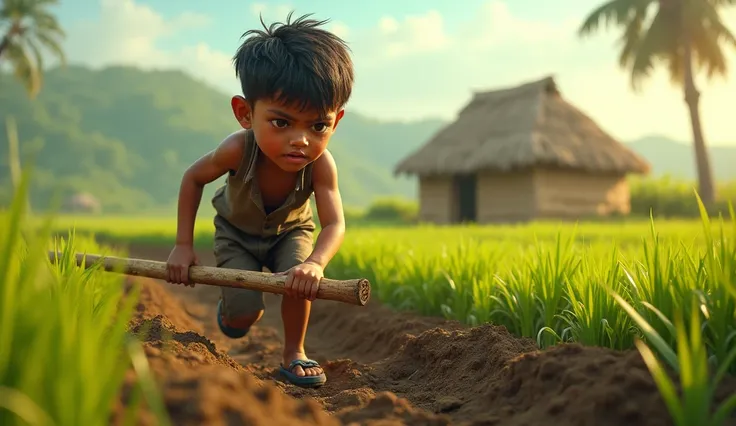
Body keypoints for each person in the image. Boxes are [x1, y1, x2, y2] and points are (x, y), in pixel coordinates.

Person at [164, 12, 353, 389]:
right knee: (241, 319)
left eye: (317, 126)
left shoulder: (321, 166)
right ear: (245, 114)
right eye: (282, 123)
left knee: (298, 277)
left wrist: (315, 263)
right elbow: (193, 178)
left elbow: (334, 223)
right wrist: (183, 246)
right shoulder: (236, 150)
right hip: (237, 234)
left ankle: (294, 352)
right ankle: (232, 312)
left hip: (291, 232)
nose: (301, 140)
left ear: (336, 121)